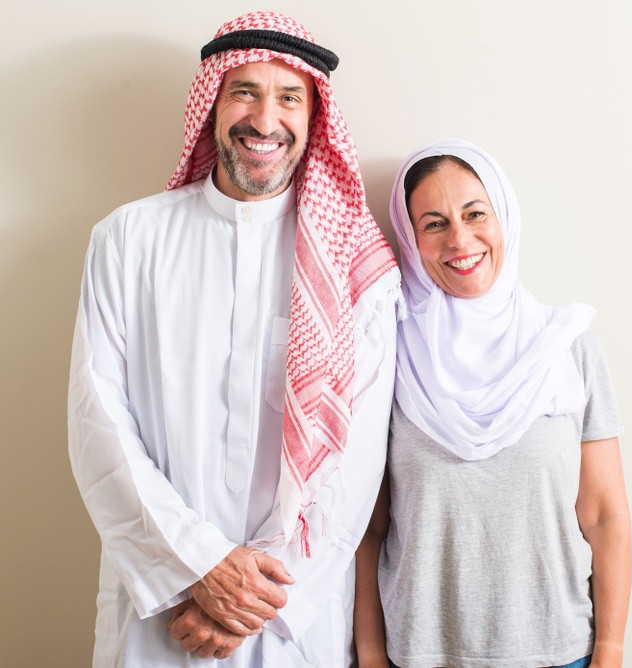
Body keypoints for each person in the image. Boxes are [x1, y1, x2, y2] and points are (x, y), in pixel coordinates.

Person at [67, 11, 400, 666]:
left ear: (315, 118)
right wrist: (196, 567)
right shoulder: (129, 240)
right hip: (159, 611)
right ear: (212, 106)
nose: (265, 120)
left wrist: (251, 600)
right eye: (244, 91)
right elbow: (97, 422)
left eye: (289, 97)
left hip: (288, 618)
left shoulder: (355, 268)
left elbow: (355, 464)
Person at [353, 139, 632, 668]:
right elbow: (369, 528)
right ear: (410, 240)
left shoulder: (569, 347)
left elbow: (604, 516)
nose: (459, 239)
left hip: (560, 653)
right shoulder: (388, 356)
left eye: (475, 213)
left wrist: (611, 650)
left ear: (504, 215)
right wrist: (369, 653)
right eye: (434, 223)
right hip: (421, 655)